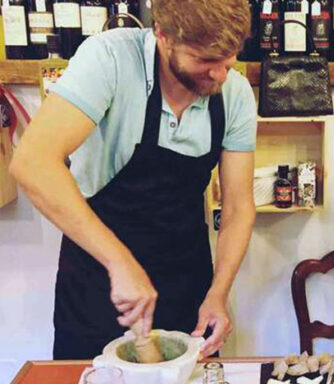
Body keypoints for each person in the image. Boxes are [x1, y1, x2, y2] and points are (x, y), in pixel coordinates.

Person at [10, 0, 257, 360]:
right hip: (97, 282)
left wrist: (218, 293)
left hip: (185, 282)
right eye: (205, 60)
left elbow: (237, 206)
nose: (219, 74)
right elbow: (32, 162)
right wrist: (119, 263)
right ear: (163, 34)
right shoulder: (109, 59)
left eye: (228, 59)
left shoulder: (234, 93)